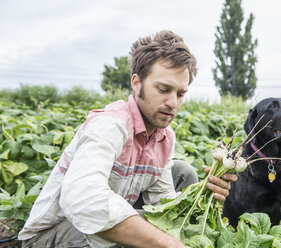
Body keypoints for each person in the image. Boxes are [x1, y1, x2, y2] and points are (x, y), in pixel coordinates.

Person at [18, 30, 237, 248]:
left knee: (184, 173)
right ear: (136, 82)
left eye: (180, 94)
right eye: (163, 89)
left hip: (102, 219)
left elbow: (162, 203)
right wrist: (168, 243)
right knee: (143, 237)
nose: (173, 103)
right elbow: (83, 200)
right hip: (52, 234)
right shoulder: (110, 125)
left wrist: (201, 195)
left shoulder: (164, 137)